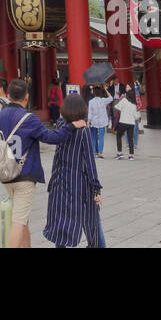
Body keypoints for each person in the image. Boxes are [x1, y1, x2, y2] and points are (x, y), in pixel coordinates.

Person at [0, 79, 72, 248]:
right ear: (26, 97)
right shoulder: (29, 118)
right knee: (19, 220)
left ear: (8, 95)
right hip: (25, 174)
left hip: (6, 174)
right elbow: (52, 137)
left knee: (22, 217)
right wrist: (70, 127)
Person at [43, 93, 103, 248]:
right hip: (79, 185)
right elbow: (90, 163)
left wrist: (52, 183)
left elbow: (57, 158)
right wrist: (96, 188)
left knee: (61, 227)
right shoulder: (83, 131)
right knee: (92, 224)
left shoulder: (61, 127)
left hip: (60, 183)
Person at [113, 86, 138, 159]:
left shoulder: (124, 100)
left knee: (118, 136)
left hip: (123, 122)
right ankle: (131, 155)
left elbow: (117, 107)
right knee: (130, 139)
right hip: (131, 123)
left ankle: (120, 153)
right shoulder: (134, 104)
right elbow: (136, 116)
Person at [86, 85, 111, 158]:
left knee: (94, 137)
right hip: (103, 122)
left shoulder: (91, 102)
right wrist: (105, 89)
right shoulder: (103, 100)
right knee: (101, 137)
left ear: (93, 92)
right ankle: (100, 153)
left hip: (94, 122)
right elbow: (111, 98)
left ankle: (95, 152)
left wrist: (88, 122)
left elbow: (90, 113)